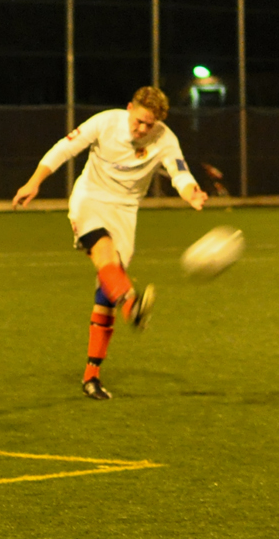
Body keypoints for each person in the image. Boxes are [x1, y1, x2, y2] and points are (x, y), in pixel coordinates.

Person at [12, 86, 208, 400]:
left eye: (149, 125)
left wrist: (191, 192)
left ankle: (91, 376)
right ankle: (132, 306)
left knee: (106, 290)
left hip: (126, 212)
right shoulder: (105, 123)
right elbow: (64, 148)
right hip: (90, 199)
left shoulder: (165, 139)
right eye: (139, 121)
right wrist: (34, 181)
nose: (142, 129)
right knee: (104, 256)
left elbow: (179, 172)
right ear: (129, 108)